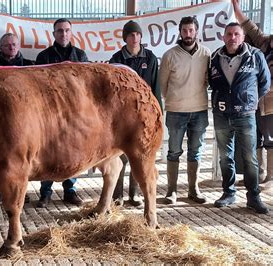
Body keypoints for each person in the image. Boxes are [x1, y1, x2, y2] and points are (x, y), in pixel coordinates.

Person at [208, 22, 270, 214]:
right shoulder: (214, 57)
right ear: (223, 37)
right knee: (226, 157)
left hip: (245, 115)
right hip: (221, 114)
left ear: (243, 37)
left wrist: (248, 100)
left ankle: (253, 196)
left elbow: (264, 83)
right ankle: (228, 192)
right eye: (229, 34)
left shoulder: (256, 56)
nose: (232, 37)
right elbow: (212, 82)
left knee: (250, 157)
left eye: (236, 34)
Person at [35, 18, 88, 208]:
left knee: (72, 151)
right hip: (49, 112)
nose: (63, 34)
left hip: (74, 112)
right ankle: (45, 193)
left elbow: (85, 86)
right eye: (59, 31)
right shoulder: (43, 57)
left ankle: (70, 191)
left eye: (66, 30)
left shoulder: (81, 56)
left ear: (71, 33)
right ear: (54, 34)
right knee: (47, 150)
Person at [108, 20, 162, 207]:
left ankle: (135, 194)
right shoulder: (116, 59)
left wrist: (158, 113)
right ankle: (117, 195)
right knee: (120, 156)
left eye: (137, 34)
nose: (135, 38)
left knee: (140, 156)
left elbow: (155, 87)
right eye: (131, 35)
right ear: (125, 38)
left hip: (144, 116)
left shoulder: (150, 58)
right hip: (123, 117)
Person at [159, 16, 210, 205]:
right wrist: (175, 99)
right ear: (179, 32)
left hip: (199, 110)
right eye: (184, 30)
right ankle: (171, 191)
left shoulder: (206, 54)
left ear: (196, 31)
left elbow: (207, 80)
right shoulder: (169, 55)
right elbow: (162, 85)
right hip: (176, 111)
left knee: (195, 152)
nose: (188, 34)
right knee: (173, 152)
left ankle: (193, 190)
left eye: (191, 30)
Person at [0, 33, 34, 205]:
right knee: (2, 157)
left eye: (14, 44)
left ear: (19, 46)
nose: (11, 47)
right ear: (0, 48)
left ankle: (22, 192)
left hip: (25, 120)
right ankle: (1, 192)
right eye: (7, 45)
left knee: (23, 157)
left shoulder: (31, 66)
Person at [232, 0, 273, 184]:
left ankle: (271, 177)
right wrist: (236, 8)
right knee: (254, 138)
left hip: (271, 103)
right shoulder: (263, 42)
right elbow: (247, 24)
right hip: (254, 100)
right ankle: (258, 174)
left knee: (270, 137)